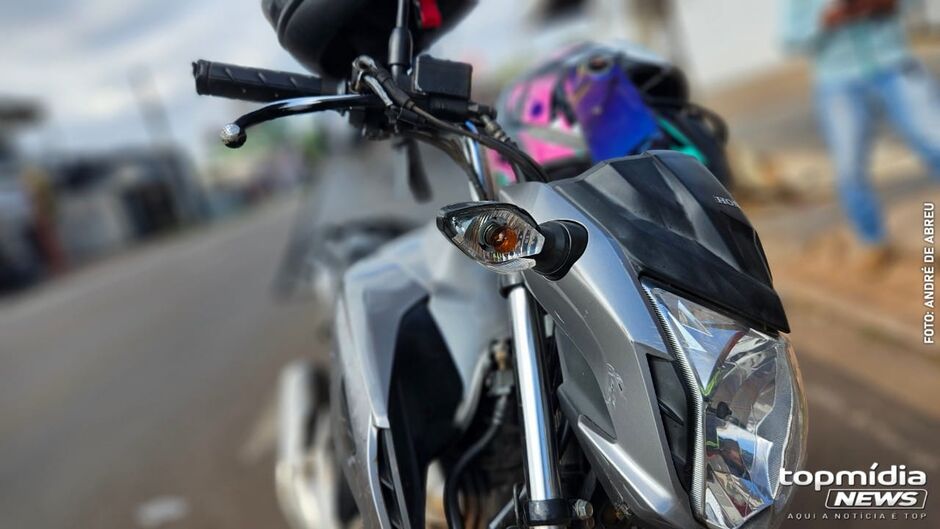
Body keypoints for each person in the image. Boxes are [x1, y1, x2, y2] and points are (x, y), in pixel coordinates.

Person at [781, 0, 940, 265]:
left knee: (936, 142)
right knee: (849, 168)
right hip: (838, 82)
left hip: (895, 64)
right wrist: (829, 19)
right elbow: (790, 38)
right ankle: (873, 241)